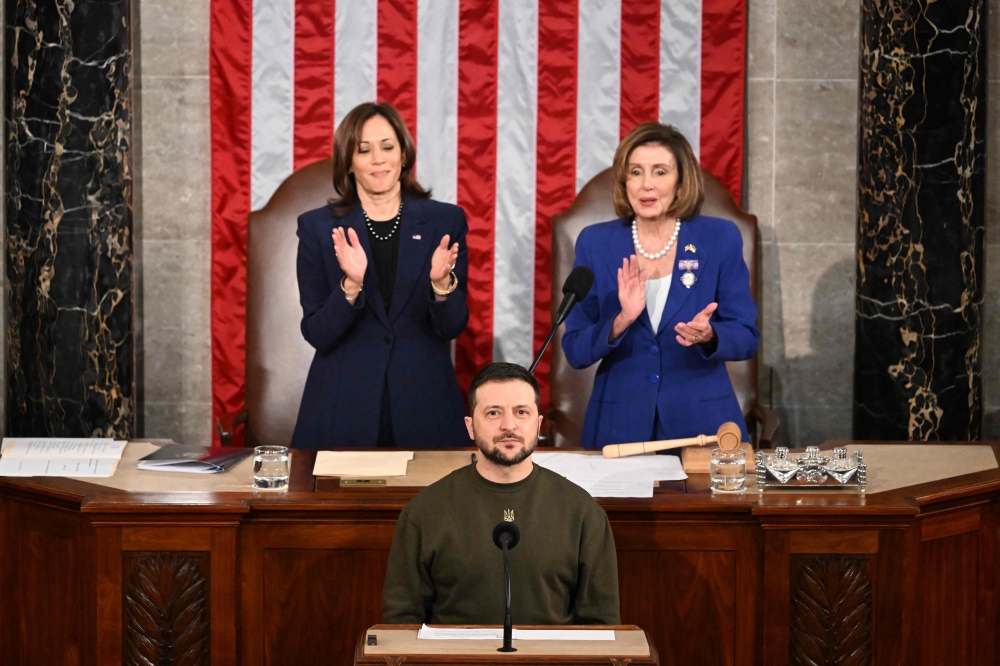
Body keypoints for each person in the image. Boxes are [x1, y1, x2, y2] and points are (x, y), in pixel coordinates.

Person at [562, 122, 759, 449]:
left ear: (682, 184)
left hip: (702, 426)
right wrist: (621, 320)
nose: (646, 185)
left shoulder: (719, 239)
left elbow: (746, 337)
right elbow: (576, 349)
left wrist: (711, 336)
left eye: (660, 172)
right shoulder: (595, 243)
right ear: (624, 182)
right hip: (619, 426)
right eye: (636, 172)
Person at [381, 363, 620, 625]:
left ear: (538, 424)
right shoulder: (424, 512)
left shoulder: (582, 512)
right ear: (470, 426)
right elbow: (400, 623)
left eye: (521, 412)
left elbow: (601, 627)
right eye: (493, 413)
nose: (509, 425)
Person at [291, 102, 469, 449]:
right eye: (364, 150)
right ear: (349, 162)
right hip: (342, 411)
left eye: (388, 147)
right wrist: (350, 287)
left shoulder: (444, 223)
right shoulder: (317, 228)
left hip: (425, 408)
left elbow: (452, 327)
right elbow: (317, 333)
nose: (378, 159)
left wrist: (441, 285)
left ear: (403, 155)